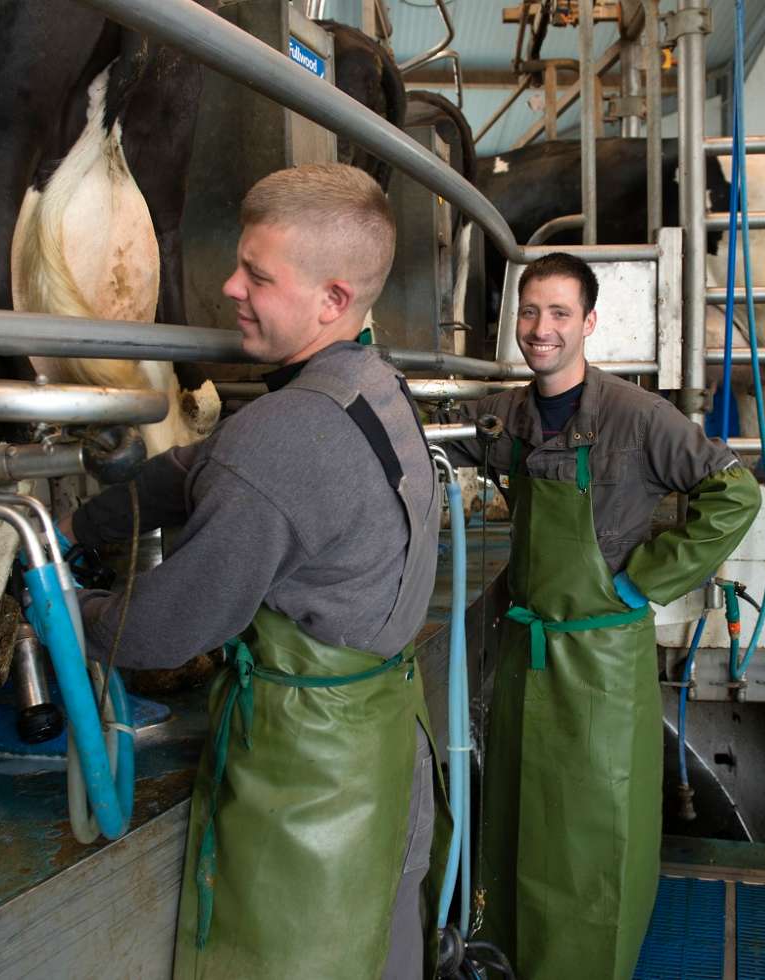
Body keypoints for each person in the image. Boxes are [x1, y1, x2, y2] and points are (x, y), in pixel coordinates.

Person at [61, 164, 447, 979]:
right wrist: (94, 517)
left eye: (258, 276)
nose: (230, 286)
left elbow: (164, 630)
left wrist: (62, 605)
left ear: (332, 300)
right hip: (379, 747)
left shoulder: (283, 434)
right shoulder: (373, 386)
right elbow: (212, 469)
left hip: (307, 783)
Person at [439, 251, 761, 979]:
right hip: (528, 653)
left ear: (588, 322)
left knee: (594, 827)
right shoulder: (508, 416)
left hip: (601, 661)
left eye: (558, 314)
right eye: (529, 312)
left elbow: (735, 494)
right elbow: (433, 434)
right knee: (517, 819)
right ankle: (508, 958)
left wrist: (643, 583)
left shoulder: (638, 416)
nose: (540, 329)